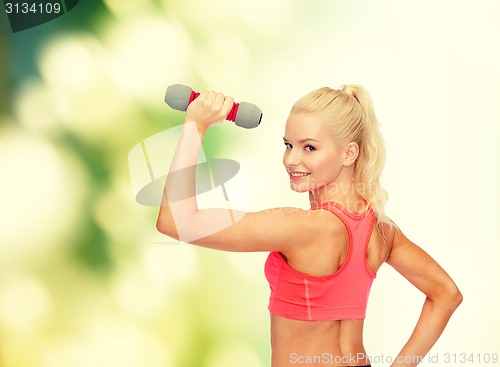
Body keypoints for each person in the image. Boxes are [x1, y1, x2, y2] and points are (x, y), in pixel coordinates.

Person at [156, 85, 463, 367]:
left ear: (349, 153)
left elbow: (177, 222)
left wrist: (195, 126)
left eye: (309, 148)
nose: (290, 159)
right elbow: (446, 294)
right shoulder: (381, 228)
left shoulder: (302, 227)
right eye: (288, 144)